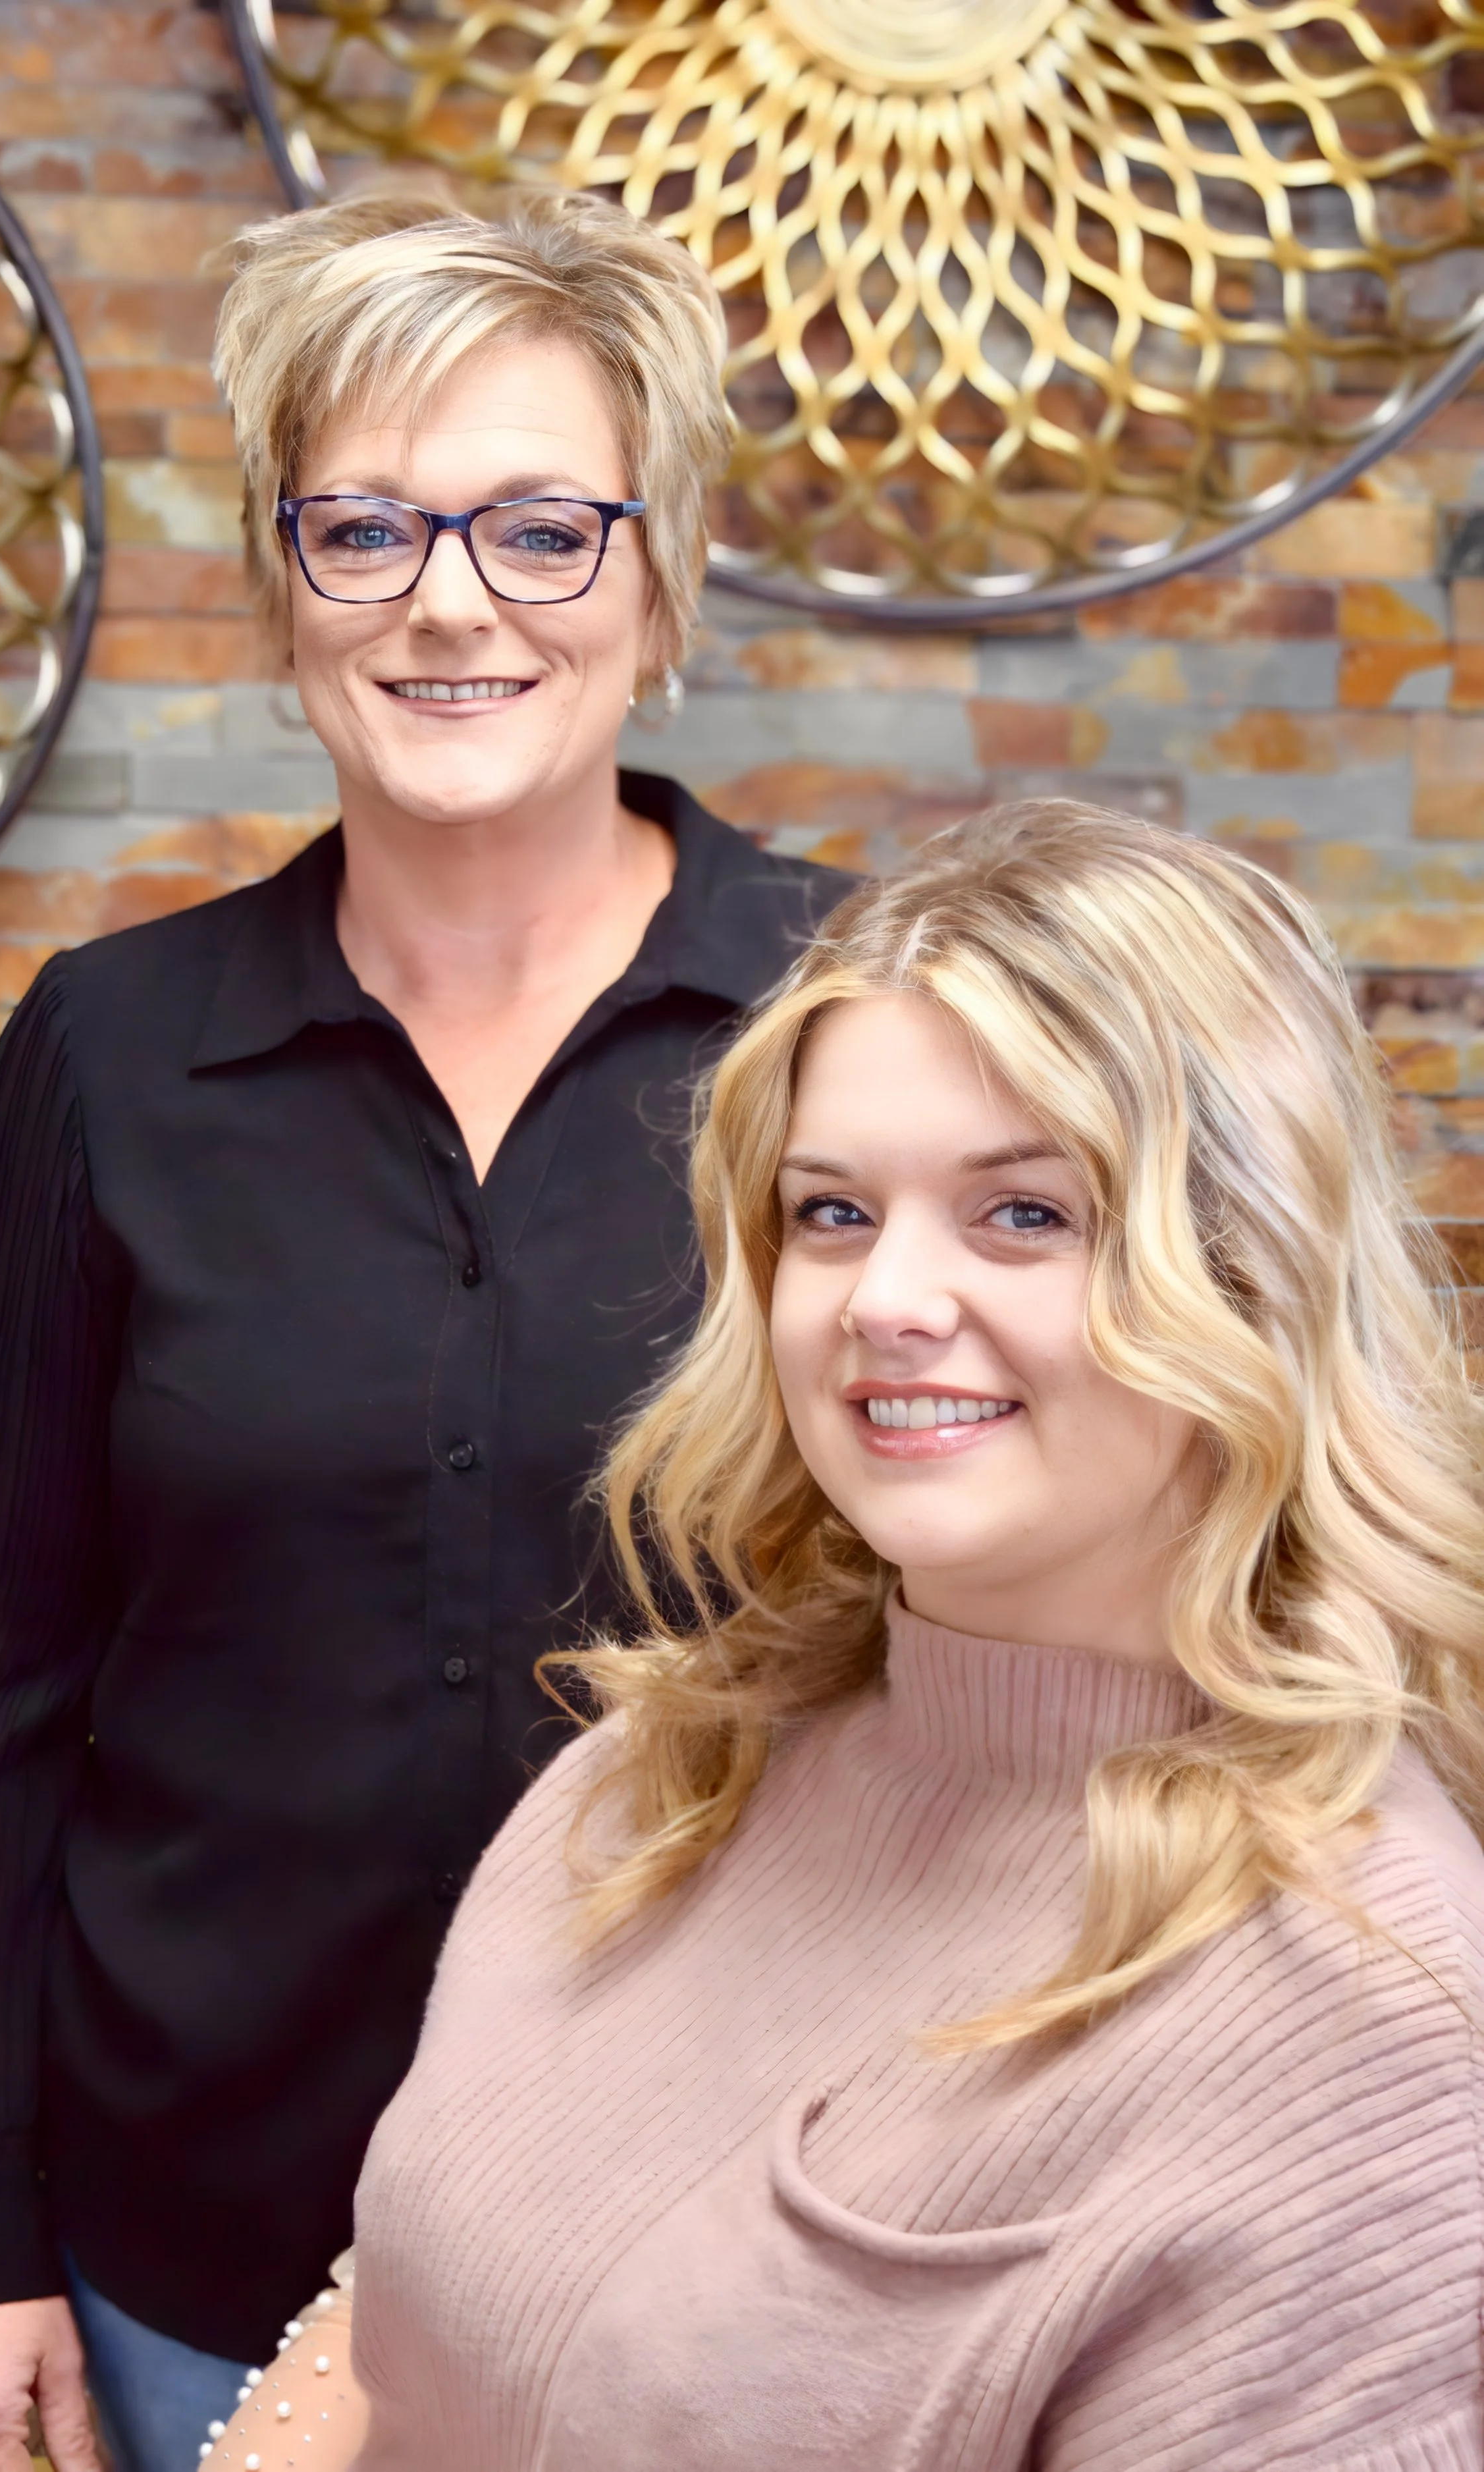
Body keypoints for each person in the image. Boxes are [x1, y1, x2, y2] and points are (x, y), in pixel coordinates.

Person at [0, 179, 850, 2472]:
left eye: (540, 528)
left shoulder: (861, 1021)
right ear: (281, 581)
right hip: (185, 2259)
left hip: (734, 2254)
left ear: (662, 574)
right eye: (366, 527)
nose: (447, 603)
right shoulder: (108, 1053)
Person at [211, 799, 1484, 2471]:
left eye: (1023, 1211)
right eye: (830, 1212)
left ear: (1250, 1269)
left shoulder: (1366, 2031)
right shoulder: (661, 1765)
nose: (884, 1296)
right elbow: (413, 2287)